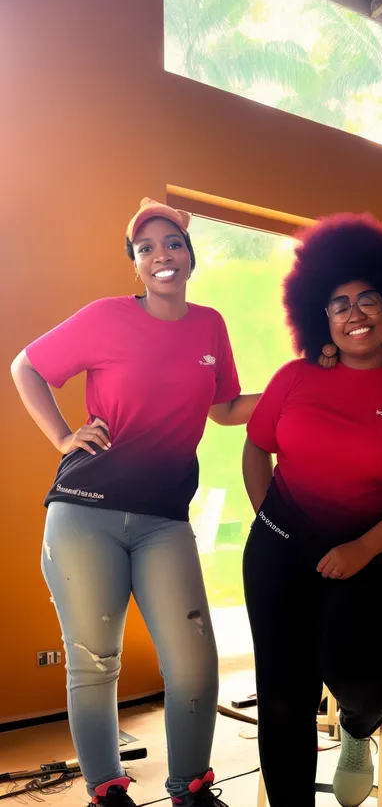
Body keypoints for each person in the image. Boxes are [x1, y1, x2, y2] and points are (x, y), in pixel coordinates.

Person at [11, 198, 259, 807]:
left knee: (195, 665)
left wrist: (292, 387)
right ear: (135, 265)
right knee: (95, 663)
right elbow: (27, 365)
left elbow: (224, 409)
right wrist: (64, 437)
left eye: (171, 243)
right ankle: (107, 791)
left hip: (163, 519)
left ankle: (191, 788)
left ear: (190, 254)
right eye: (145, 248)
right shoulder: (105, 317)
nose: (160, 256)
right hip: (85, 511)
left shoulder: (210, 326)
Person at [242, 213, 382, 807]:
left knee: (360, 682)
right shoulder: (293, 377)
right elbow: (258, 446)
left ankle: (359, 728)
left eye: (367, 298)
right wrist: (272, 523)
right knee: (284, 695)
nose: (354, 313)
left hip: (378, 551)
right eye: (338, 303)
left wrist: (364, 548)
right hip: (282, 549)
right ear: (320, 315)